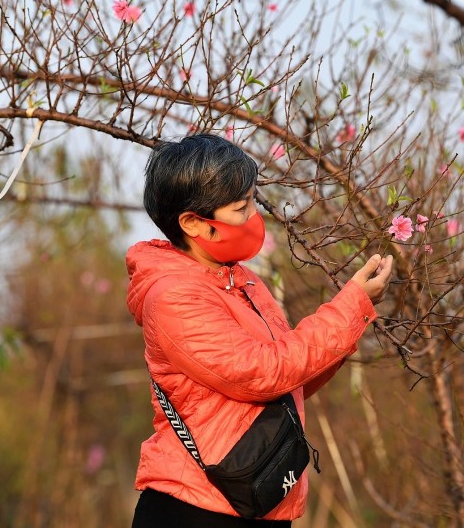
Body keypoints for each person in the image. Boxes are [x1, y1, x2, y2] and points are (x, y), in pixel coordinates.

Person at [126, 134, 394, 527]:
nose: (255, 215)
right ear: (192, 223)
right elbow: (264, 373)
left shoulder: (241, 279)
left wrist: (351, 322)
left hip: (255, 497)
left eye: (252, 199)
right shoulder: (173, 297)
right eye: (241, 207)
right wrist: (351, 306)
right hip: (195, 507)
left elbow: (289, 381)